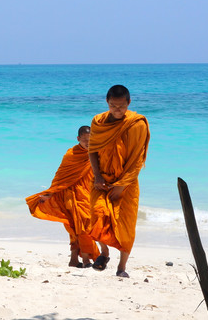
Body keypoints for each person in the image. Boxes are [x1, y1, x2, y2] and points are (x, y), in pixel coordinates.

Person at [87, 84, 150, 278]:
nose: (117, 110)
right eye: (113, 106)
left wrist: (122, 186)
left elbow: (138, 159)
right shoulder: (98, 122)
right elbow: (93, 151)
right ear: (107, 102)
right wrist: (97, 176)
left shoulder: (136, 124)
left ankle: (121, 267)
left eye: (121, 106)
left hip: (127, 183)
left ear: (129, 103)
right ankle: (104, 252)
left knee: (125, 225)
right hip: (102, 179)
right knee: (97, 214)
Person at [25, 125, 105, 267]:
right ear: (78, 139)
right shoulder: (71, 154)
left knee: (83, 225)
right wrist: (49, 193)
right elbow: (60, 176)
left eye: (90, 139)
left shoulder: (96, 153)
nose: (88, 143)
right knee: (79, 225)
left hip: (87, 194)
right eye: (84, 140)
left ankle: (74, 260)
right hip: (69, 195)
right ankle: (85, 259)